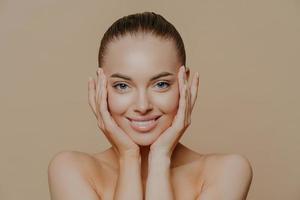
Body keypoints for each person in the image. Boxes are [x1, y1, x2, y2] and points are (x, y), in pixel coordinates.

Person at [48, 12, 253, 200]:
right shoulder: (71, 170)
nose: (142, 105)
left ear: (185, 84)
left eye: (161, 84)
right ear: (102, 87)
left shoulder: (227, 172)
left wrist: (160, 159)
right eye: (122, 86)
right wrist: (128, 158)